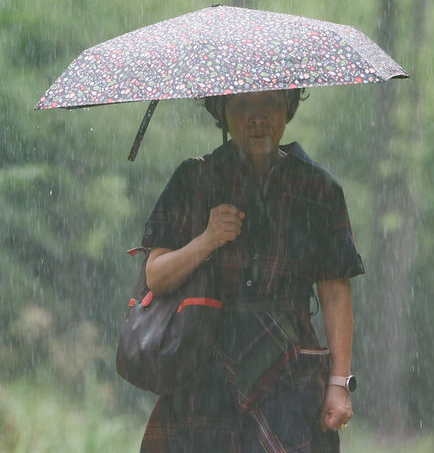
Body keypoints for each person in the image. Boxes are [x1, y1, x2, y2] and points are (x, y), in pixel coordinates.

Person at [138, 89, 364, 452]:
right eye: (242, 105)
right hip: (203, 367)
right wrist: (207, 240)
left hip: (289, 371)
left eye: (270, 104)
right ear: (221, 111)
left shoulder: (319, 190)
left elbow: (335, 290)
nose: (257, 117)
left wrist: (339, 382)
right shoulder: (193, 180)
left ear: (288, 108)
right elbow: (156, 276)